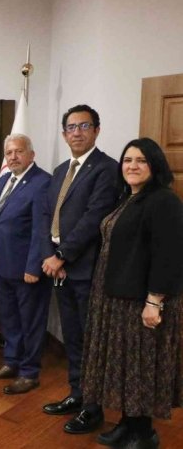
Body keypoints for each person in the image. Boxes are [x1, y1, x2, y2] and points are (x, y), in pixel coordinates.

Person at [79, 138, 183, 448]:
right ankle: (127, 423)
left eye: (141, 160)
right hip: (116, 296)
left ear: (154, 165)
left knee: (140, 367)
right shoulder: (128, 197)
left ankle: (144, 433)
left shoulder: (163, 201)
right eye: (127, 160)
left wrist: (154, 300)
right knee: (125, 366)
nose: (132, 166)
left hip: (142, 299)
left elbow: (169, 255)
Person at [40, 105, 119, 434]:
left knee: (90, 341)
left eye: (84, 126)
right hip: (61, 269)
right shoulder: (61, 170)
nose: (77, 132)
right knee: (72, 337)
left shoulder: (107, 169)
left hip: (86, 269)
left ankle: (93, 408)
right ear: (64, 134)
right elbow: (49, 216)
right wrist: (52, 256)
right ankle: (77, 393)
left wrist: (62, 256)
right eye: (71, 127)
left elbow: (94, 218)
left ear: (97, 130)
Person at [0, 134, 51, 394]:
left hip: (27, 270)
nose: (13, 157)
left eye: (18, 151)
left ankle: (29, 372)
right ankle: (11, 362)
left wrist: (34, 267)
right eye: (9, 153)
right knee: (9, 319)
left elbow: (41, 230)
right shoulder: (3, 180)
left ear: (31, 154)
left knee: (31, 322)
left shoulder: (42, 182)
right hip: (2, 265)